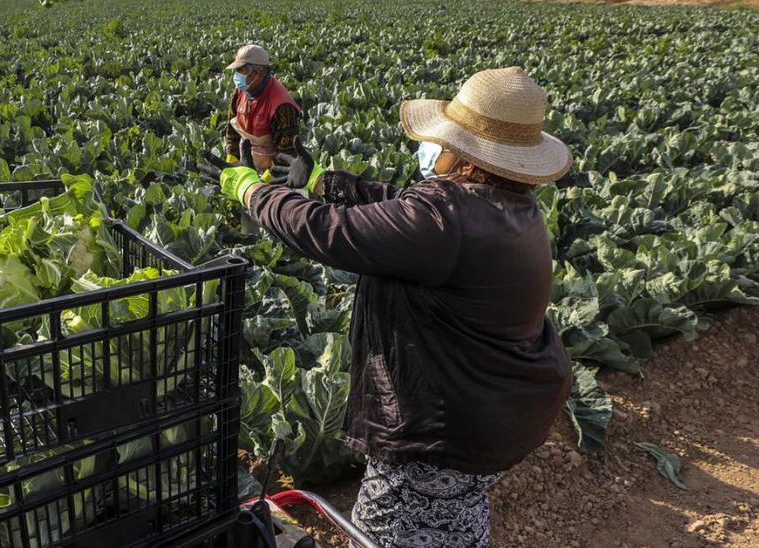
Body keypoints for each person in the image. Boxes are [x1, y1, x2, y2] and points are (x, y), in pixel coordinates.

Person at [197, 67, 574, 548]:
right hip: (487, 418)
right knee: (453, 526)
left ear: (463, 152)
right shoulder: (508, 209)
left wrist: (252, 191)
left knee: (390, 533)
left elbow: (326, 231)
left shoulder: (446, 218)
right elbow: (397, 205)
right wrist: (318, 180)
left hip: (441, 431)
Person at [223, 43, 302, 173]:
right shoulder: (240, 92)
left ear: (256, 73)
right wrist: (232, 159)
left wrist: (267, 180)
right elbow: (232, 128)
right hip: (246, 163)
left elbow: (287, 153)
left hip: (273, 171)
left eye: (239, 70)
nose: (236, 76)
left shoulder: (282, 105)